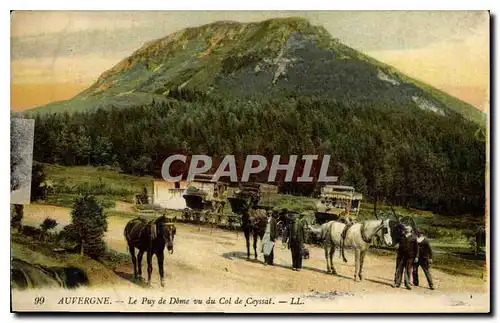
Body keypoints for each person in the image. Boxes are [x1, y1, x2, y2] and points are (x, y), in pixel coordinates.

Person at [393, 224, 418, 290]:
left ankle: (407, 284)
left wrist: (416, 257)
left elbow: (416, 248)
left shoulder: (414, 237)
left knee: (407, 270)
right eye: (405, 229)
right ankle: (397, 283)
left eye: (408, 229)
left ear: (410, 230)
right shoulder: (401, 236)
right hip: (401, 256)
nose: (406, 230)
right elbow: (395, 240)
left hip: (410, 257)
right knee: (399, 270)